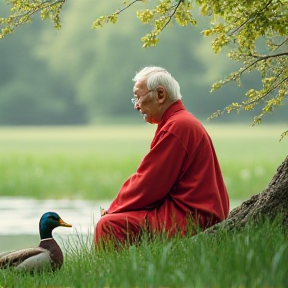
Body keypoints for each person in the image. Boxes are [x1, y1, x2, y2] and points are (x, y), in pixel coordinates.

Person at [94, 66, 229, 247]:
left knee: (109, 226)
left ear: (160, 95)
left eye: (139, 97)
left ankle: (110, 275)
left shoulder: (177, 126)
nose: (136, 105)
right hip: (192, 211)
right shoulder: (179, 122)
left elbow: (149, 183)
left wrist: (113, 209)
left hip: (191, 217)